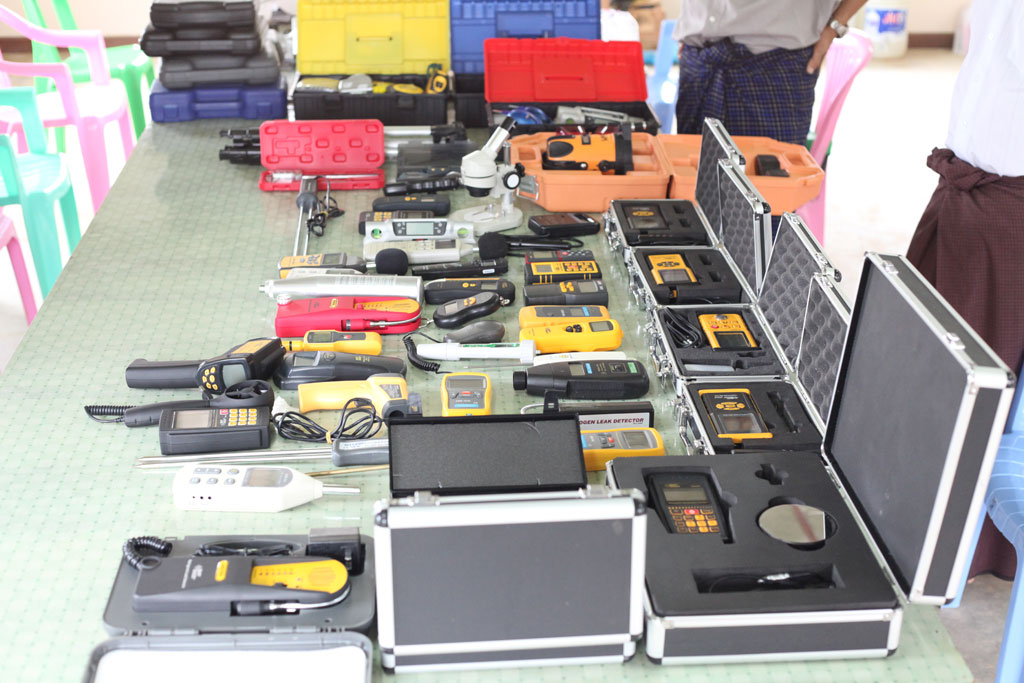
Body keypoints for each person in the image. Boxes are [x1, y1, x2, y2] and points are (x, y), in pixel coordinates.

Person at [906, 0, 1024, 581]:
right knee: (935, 365)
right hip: (969, 178)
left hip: (1009, 199)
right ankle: (916, 518)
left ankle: (968, 546)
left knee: (983, 383)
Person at [674, 0, 867, 144]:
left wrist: (835, 26)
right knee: (689, 178)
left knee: (767, 180)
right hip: (698, 60)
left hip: (774, 65)